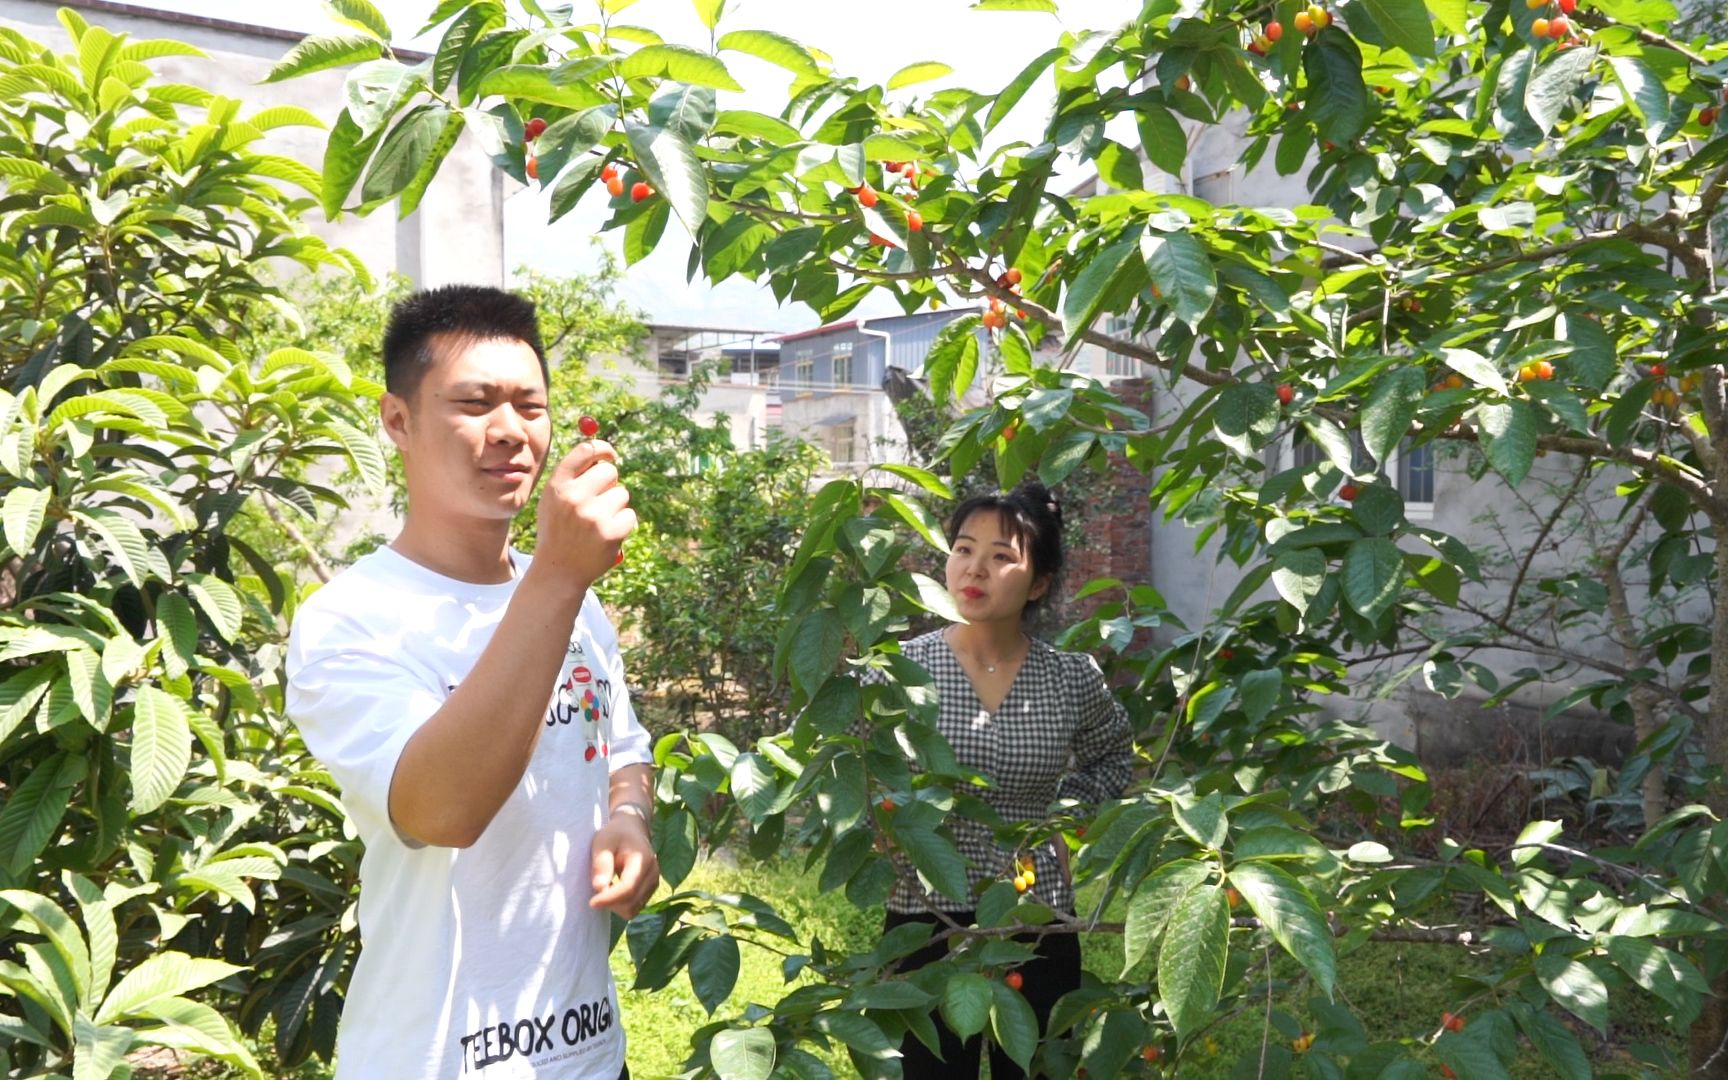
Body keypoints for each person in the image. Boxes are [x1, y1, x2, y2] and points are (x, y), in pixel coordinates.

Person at [285, 285, 656, 1080]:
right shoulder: (351, 619)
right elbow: (442, 810)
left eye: (531, 405)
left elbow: (622, 748)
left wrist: (630, 819)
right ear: (398, 420)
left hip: (592, 1059)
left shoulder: (578, 604)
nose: (511, 431)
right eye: (475, 403)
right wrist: (557, 575)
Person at [882, 481, 1134, 1078]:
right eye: (964, 549)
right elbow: (832, 758)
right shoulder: (899, 671)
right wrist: (879, 820)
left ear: (1038, 583)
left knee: (1039, 1065)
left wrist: (1066, 819)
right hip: (924, 911)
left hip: (1035, 915)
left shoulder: (1071, 678)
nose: (975, 568)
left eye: (1001, 556)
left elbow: (1113, 756)